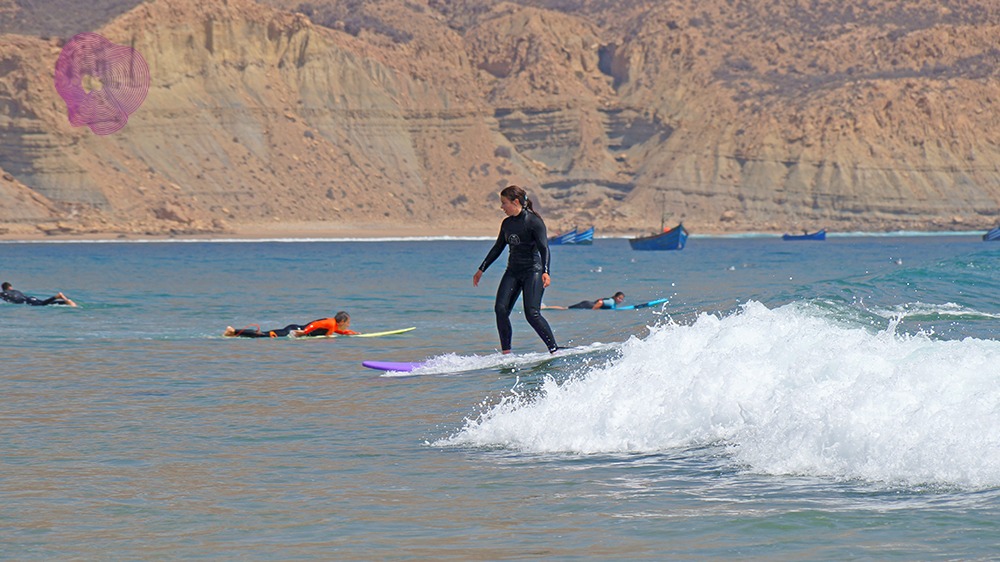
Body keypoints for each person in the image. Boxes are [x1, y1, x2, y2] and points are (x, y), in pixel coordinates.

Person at [473, 185, 559, 354]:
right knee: (501, 309)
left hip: (532, 271)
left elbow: (544, 248)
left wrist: (546, 271)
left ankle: (554, 349)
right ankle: (506, 353)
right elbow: (498, 247)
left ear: (516, 202)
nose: (502, 207)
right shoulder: (507, 224)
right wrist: (481, 269)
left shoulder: (534, 221)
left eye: (504, 203)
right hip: (512, 271)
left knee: (532, 313)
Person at [224, 311, 359, 338]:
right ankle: (233, 331)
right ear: (341, 321)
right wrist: (304, 332)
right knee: (265, 335)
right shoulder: (330, 322)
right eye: (347, 323)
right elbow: (315, 324)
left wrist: (353, 333)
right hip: (294, 330)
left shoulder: (333, 326)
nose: (348, 325)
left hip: (297, 329)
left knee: (264, 335)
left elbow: (340, 331)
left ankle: (235, 333)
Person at [1, 281, 77, 307]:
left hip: (27, 302)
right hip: (30, 298)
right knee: (46, 303)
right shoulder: (16, 291)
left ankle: (57, 296)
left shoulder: (3, 293)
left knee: (43, 304)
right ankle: (66, 302)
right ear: (10, 287)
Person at [544, 291, 625, 310]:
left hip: (588, 303)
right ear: (615, 297)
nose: (620, 300)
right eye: (619, 298)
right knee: (564, 309)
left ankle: (546, 307)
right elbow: (600, 302)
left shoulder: (612, 301)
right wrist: (594, 309)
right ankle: (545, 307)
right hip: (588, 305)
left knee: (565, 308)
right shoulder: (611, 301)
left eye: (621, 299)